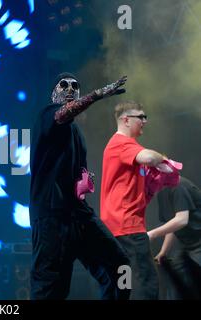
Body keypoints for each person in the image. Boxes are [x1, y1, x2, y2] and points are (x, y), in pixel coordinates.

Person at [29, 72, 130, 300]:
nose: (70, 89)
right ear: (53, 93)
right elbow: (62, 115)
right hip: (51, 220)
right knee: (51, 289)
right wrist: (98, 94)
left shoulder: (76, 132)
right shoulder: (47, 115)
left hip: (80, 216)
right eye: (63, 85)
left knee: (121, 267)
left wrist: (83, 181)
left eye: (75, 86)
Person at [100, 101, 170, 299]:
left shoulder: (125, 147)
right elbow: (149, 157)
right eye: (141, 117)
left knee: (125, 285)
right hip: (128, 228)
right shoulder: (122, 144)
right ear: (126, 120)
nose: (145, 121)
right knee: (145, 284)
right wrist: (164, 160)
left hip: (121, 227)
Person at [148, 176, 201, 299]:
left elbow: (181, 220)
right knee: (177, 274)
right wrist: (163, 252)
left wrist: (152, 234)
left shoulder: (178, 186)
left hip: (198, 243)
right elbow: (173, 225)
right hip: (189, 245)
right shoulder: (161, 193)